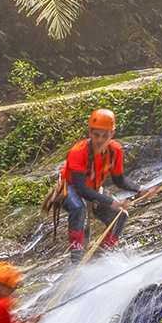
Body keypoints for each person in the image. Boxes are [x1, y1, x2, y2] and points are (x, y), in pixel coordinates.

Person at [63, 109, 130, 257]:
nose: (100, 140)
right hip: (68, 187)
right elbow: (80, 188)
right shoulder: (78, 151)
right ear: (89, 132)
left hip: (93, 188)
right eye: (96, 135)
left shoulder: (115, 150)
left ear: (112, 135)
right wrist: (110, 201)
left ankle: (99, 254)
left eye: (105, 136)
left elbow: (119, 180)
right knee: (79, 208)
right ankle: (76, 255)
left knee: (122, 215)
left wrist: (141, 190)